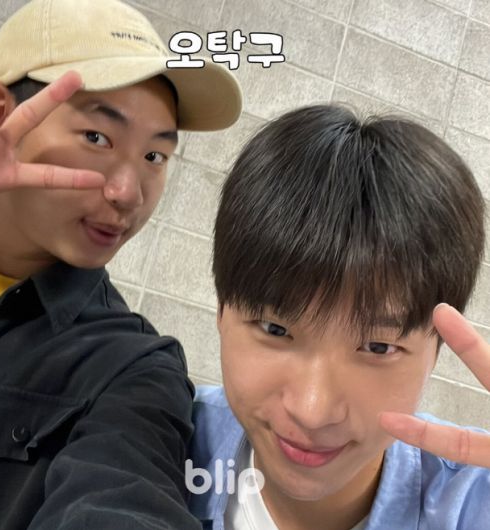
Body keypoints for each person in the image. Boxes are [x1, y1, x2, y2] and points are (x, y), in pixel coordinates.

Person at [0, 0, 241, 528]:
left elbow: (122, 494)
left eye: (154, 156)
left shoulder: (133, 369)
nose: (128, 193)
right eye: (97, 138)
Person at [189, 105, 490, 529]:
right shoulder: (152, 440)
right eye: (276, 329)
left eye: (378, 347)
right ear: (222, 310)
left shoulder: (472, 506)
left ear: (436, 351)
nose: (312, 411)